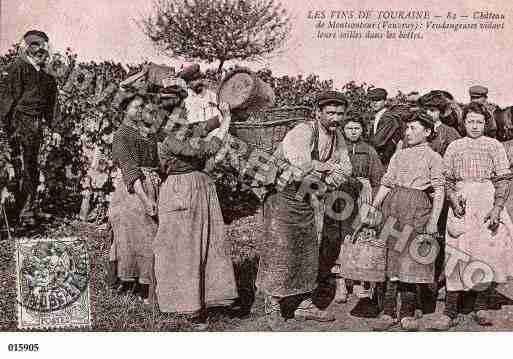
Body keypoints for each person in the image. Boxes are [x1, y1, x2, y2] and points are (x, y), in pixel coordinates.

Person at [256, 90, 352, 324]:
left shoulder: (337, 136)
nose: (336, 118)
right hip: (283, 196)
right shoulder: (302, 131)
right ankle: (273, 305)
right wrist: (326, 168)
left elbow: (346, 167)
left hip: (307, 198)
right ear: (318, 113)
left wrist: (328, 173)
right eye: (330, 113)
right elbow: (300, 168)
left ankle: (302, 304)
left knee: (308, 250)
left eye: (340, 114)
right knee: (280, 249)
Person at [153, 83, 238, 323]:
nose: (185, 112)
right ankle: (186, 306)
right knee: (186, 247)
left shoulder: (178, 128)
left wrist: (219, 116)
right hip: (182, 190)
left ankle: (209, 297)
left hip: (196, 188)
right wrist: (227, 123)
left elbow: (200, 128)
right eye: (182, 108)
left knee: (207, 243)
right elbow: (207, 148)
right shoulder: (169, 135)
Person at [429, 102, 513, 330]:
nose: (474, 126)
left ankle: (480, 306)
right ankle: (450, 311)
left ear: (486, 123)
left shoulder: (494, 146)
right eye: (470, 121)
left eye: (479, 121)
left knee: (484, 252)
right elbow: (446, 179)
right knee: (456, 250)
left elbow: (503, 179)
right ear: (463, 122)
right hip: (462, 203)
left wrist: (497, 207)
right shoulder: (455, 146)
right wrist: (453, 198)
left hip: (486, 201)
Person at [365, 110, 445, 331]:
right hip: (394, 205)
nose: (408, 132)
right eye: (407, 128)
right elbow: (387, 183)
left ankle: (407, 312)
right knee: (391, 257)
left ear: (427, 132)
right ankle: (388, 311)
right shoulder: (399, 155)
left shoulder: (433, 157)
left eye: (414, 128)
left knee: (411, 258)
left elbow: (439, 191)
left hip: (418, 207)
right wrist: (373, 207)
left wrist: (433, 221)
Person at [0, 30, 59, 226]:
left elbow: (52, 105)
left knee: (33, 168)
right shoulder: (18, 68)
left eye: (44, 47)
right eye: (35, 46)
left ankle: (31, 208)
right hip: (20, 123)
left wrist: (54, 128)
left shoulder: (47, 76)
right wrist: (8, 129)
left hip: (37, 124)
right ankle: (21, 213)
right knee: (22, 168)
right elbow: (8, 99)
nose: (41, 50)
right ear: (27, 48)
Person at [108, 89, 161, 303]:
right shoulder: (122, 135)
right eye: (136, 107)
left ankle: (146, 285)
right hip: (135, 192)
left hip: (151, 184)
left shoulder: (144, 132)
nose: (141, 111)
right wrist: (146, 199)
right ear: (124, 110)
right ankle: (143, 287)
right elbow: (130, 170)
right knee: (142, 237)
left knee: (147, 235)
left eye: (142, 107)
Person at [338, 113, 385, 318]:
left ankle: (361, 281)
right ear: (343, 130)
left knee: (363, 235)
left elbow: (377, 179)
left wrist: (373, 204)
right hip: (341, 192)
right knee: (342, 235)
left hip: (363, 194)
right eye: (349, 128)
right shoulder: (338, 149)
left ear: (362, 130)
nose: (353, 132)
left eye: (357, 128)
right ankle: (342, 282)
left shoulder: (370, 151)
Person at [367, 88, 404, 166]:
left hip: (386, 160)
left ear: (385, 101)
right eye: (372, 100)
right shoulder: (378, 117)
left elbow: (378, 141)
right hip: (380, 159)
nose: (374, 103)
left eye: (378, 100)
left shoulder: (388, 118)